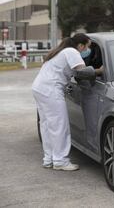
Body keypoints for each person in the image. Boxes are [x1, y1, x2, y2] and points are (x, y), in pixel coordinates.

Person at [32, 33, 102, 171]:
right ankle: (60, 161)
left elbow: (75, 73)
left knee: (47, 125)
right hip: (51, 90)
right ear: (81, 45)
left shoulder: (61, 51)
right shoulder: (72, 51)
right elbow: (82, 72)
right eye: (87, 47)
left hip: (39, 88)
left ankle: (49, 159)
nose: (87, 50)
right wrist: (100, 70)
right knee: (59, 125)